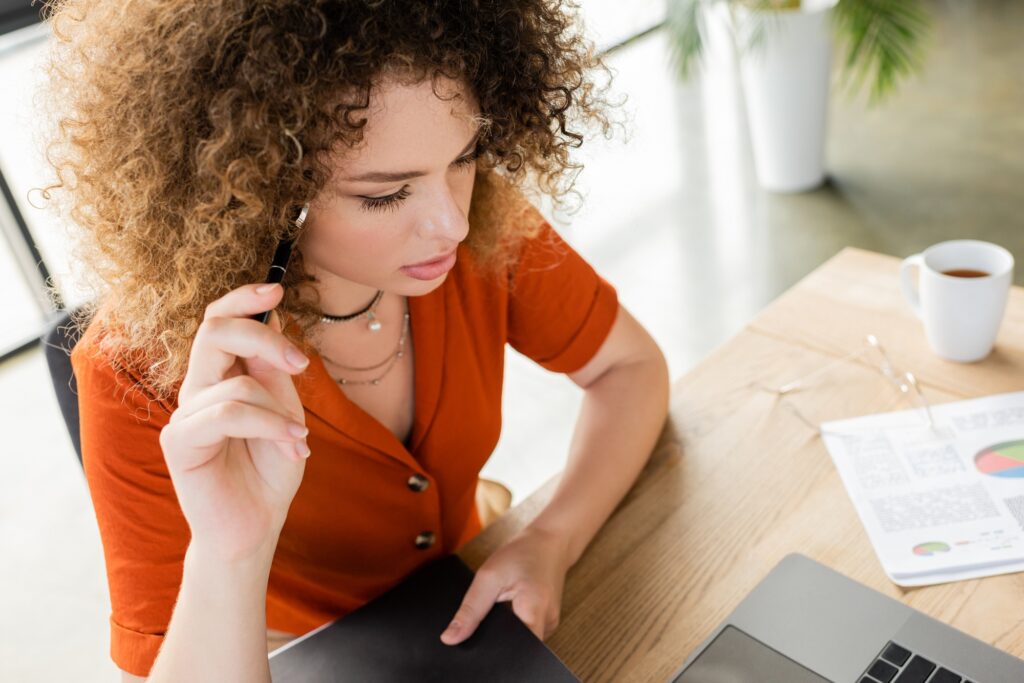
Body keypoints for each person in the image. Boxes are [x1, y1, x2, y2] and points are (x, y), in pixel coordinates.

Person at [44, 1, 669, 680]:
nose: (451, 223)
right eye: (385, 195)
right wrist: (231, 552)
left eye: (462, 158)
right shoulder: (134, 372)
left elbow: (629, 367)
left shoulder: (487, 223)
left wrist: (553, 536)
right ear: (257, 190)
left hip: (470, 596)